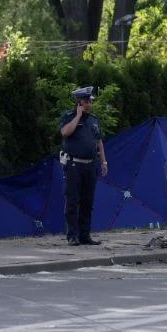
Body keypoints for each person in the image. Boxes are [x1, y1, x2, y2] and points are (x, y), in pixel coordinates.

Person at [59, 86, 108, 246]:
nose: (90, 104)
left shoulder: (93, 120)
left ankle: (85, 235)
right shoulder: (69, 116)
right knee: (73, 201)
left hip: (90, 165)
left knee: (88, 201)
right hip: (74, 165)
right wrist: (78, 116)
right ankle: (72, 236)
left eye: (90, 101)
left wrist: (103, 161)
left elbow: (99, 141)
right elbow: (65, 132)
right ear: (79, 102)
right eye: (87, 102)